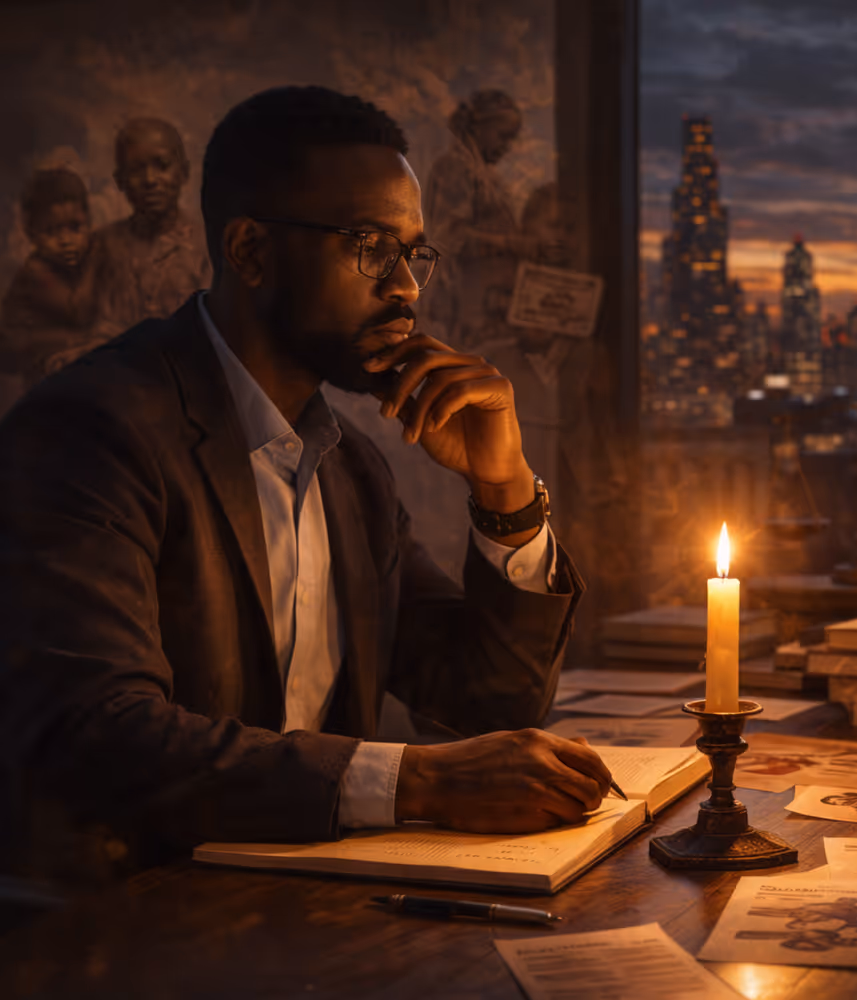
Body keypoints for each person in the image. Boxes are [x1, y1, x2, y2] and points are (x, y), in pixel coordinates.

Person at [0, 86, 608, 879]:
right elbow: (95, 737)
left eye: (413, 252)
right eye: (371, 245)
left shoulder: (350, 465)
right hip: (123, 936)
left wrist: (505, 490)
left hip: (304, 920)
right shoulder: (90, 429)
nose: (407, 287)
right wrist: (413, 780)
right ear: (250, 251)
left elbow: (488, 700)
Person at [422, 90, 529, 350]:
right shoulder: (454, 168)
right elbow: (450, 238)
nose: (507, 146)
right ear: (479, 127)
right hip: (464, 299)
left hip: (486, 299)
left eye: (511, 139)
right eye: (502, 136)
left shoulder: (485, 174)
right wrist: (510, 243)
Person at [93, 117, 211, 336]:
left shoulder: (208, 245)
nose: (149, 179)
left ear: (184, 172)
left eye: (162, 166)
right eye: (136, 169)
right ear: (120, 180)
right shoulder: (100, 246)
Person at [0, 168, 102, 386]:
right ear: (31, 234)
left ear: (89, 221)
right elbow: (79, 311)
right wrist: (94, 257)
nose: (65, 240)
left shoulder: (73, 264)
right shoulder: (36, 270)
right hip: (30, 354)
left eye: (75, 227)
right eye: (51, 231)